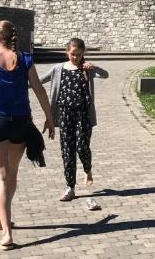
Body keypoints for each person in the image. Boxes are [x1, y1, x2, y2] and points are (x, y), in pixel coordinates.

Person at [0, 20, 54, 250]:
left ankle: (7, 234)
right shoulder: (24, 59)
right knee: (12, 173)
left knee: (0, 176)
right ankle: (2, 216)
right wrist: (50, 117)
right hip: (20, 123)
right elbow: (39, 88)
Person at [40, 38, 108, 208]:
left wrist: (94, 67)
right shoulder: (58, 69)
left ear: (83, 53)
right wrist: (19, 84)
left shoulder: (86, 69)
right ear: (67, 52)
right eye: (72, 54)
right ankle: (70, 187)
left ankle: (88, 169)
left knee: (82, 147)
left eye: (78, 54)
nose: (75, 57)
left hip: (83, 114)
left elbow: (105, 75)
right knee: (67, 150)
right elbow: (39, 80)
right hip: (64, 114)